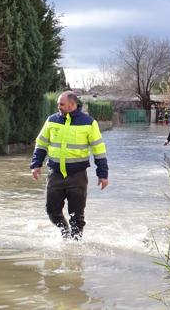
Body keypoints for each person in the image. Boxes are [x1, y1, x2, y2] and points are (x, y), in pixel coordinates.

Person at [30, 91, 109, 240]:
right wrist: (36, 164)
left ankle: (76, 249)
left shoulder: (89, 123)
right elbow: (41, 143)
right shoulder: (51, 120)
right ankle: (65, 233)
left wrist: (102, 174)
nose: (58, 106)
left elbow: (98, 149)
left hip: (77, 176)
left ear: (72, 104)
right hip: (55, 175)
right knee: (52, 211)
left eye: (61, 104)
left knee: (77, 217)